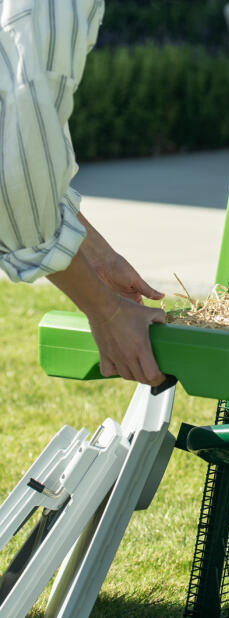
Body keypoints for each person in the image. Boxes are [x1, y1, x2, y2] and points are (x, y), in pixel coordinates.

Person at [0, 0, 166, 386]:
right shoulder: (54, 10)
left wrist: (99, 257)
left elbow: (27, 160)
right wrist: (106, 313)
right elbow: (15, 185)